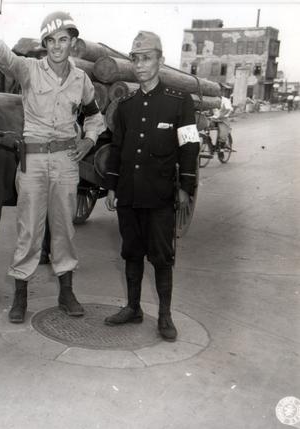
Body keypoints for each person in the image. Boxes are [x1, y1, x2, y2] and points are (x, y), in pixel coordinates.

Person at [0, 12, 105, 323]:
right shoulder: (30, 70)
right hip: (32, 158)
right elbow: (7, 60)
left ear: (72, 42)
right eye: (51, 41)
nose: (57, 46)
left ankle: (66, 292)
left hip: (66, 161)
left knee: (64, 228)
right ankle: (20, 297)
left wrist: (88, 140)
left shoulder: (81, 80)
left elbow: (94, 116)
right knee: (29, 229)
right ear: (44, 44)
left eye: (63, 39)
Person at [104, 31, 200, 341]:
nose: (141, 64)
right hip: (130, 194)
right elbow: (117, 149)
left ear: (160, 60)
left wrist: (186, 186)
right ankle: (133, 308)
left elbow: (189, 146)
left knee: (161, 257)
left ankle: (165, 316)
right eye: (135, 59)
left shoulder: (179, 101)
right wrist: (112, 186)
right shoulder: (127, 105)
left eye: (147, 58)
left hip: (160, 195)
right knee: (131, 252)